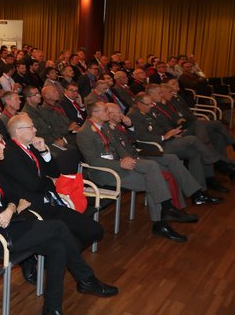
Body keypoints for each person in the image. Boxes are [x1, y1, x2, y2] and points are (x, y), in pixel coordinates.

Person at [0, 131, 118, 315]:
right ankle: (86, 280)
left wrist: (11, 208)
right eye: (0, 144)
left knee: (57, 247)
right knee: (58, 227)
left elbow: (13, 196)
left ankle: (53, 308)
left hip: (12, 225)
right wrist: (15, 207)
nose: (4, 146)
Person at [77, 101, 197, 242]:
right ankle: (162, 221)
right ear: (95, 113)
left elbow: (118, 146)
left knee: (152, 166)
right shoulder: (84, 133)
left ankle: (167, 209)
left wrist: (126, 157)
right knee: (153, 182)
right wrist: (120, 163)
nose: (108, 113)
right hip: (106, 173)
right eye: (105, 110)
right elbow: (94, 162)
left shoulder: (103, 127)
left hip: (119, 164)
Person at [0, 114, 103, 250]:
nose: (35, 130)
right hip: (34, 206)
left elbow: (55, 173)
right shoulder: (10, 153)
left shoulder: (32, 148)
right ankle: (64, 255)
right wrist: (49, 181)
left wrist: (44, 151)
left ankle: (66, 253)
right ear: (19, 131)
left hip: (50, 200)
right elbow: (33, 184)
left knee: (95, 230)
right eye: (31, 127)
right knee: (71, 241)